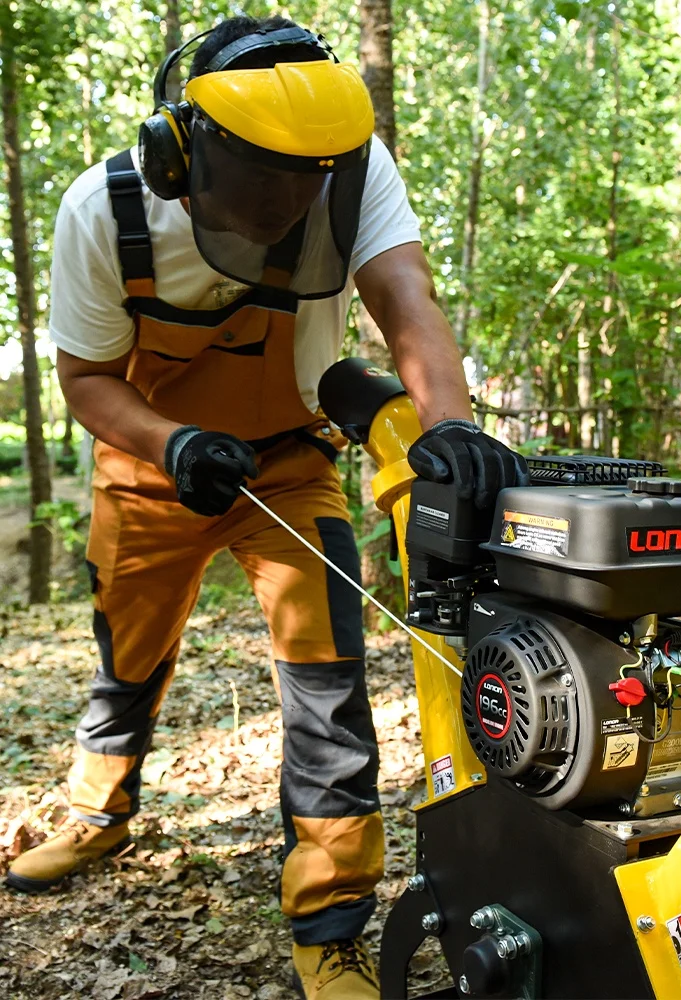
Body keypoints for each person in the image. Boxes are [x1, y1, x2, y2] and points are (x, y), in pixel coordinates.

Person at [5, 15, 527, 999]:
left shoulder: (351, 174)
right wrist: (172, 443)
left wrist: (448, 427)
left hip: (288, 466)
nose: (286, 209)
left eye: (305, 188)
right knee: (128, 660)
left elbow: (405, 297)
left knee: (328, 688)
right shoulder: (103, 210)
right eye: (258, 187)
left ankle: (329, 923)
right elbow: (82, 380)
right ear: (181, 151)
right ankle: (98, 811)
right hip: (145, 466)